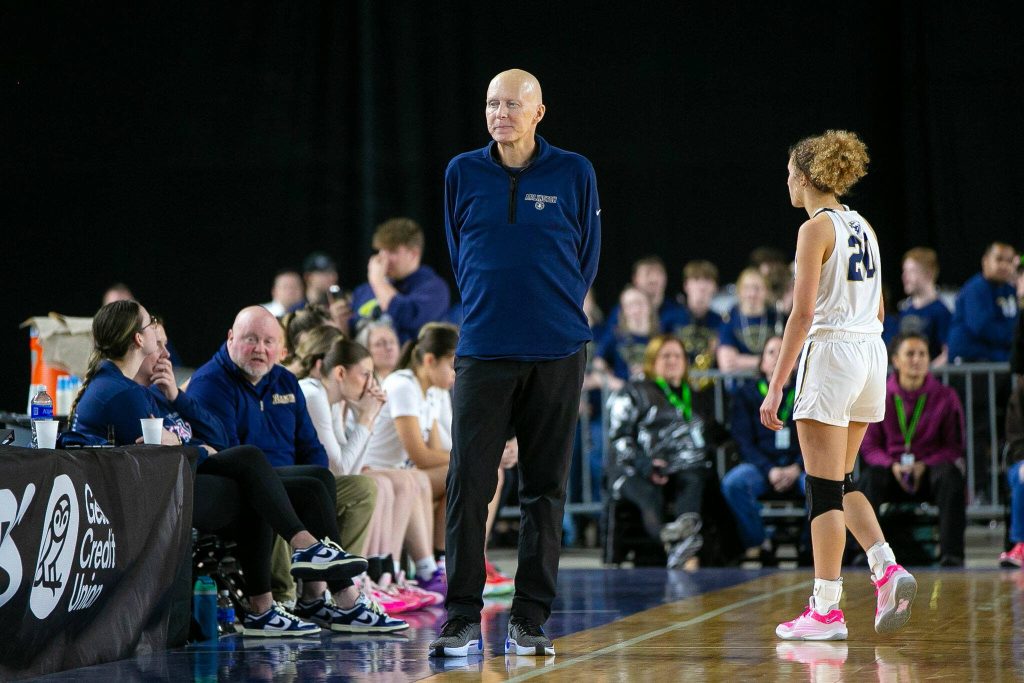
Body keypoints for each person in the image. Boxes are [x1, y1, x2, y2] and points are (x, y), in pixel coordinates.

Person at [431, 68, 600, 658]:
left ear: (539, 113)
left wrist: (548, 311)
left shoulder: (575, 171)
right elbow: (461, 252)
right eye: (491, 104)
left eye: (512, 104)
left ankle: (530, 619)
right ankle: (459, 616)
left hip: (557, 350)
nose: (499, 113)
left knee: (544, 490)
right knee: (467, 485)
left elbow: (587, 257)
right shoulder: (461, 172)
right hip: (483, 350)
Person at [70, 301, 366, 636]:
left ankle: (298, 587)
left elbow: (215, 439)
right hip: (154, 498)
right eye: (154, 329)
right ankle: (284, 581)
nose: (165, 349)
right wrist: (198, 449)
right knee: (250, 472)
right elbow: (164, 452)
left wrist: (179, 403)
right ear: (139, 339)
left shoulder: (143, 390)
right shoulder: (121, 392)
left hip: (176, 481)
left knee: (307, 478)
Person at [763, 130, 916, 641]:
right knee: (842, 480)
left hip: (832, 352)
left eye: (788, 173)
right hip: (872, 353)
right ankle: (886, 567)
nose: (785, 182)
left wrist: (777, 385)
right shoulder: (864, 225)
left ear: (804, 179)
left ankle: (826, 608)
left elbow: (802, 315)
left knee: (822, 489)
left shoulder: (815, 230)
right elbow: (878, 307)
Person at [186, 305, 406, 632]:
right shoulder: (210, 383)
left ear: (282, 349)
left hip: (292, 480)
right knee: (301, 488)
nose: (260, 349)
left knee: (347, 485)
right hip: (243, 485)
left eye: (268, 342)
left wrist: (310, 485)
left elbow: (312, 450)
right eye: (250, 340)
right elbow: (229, 455)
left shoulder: (286, 381)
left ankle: (319, 593)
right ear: (231, 339)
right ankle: (328, 595)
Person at [296, 328, 444, 612]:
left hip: (321, 481)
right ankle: (361, 578)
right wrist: (366, 416)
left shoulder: (335, 400)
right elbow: (340, 469)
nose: (370, 383)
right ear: (340, 373)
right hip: (305, 486)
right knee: (376, 485)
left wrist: (368, 416)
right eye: (365, 374)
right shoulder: (314, 393)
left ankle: (384, 576)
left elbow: (346, 467)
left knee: (393, 481)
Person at [362, 323, 458, 595]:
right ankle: (431, 565)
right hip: (377, 471)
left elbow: (436, 451)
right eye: (451, 365)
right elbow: (421, 455)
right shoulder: (403, 385)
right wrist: (466, 459)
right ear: (430, 360)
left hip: (401, 472)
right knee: (441, 475)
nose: (455, 373)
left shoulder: (429, 391)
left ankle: (443, 562)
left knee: (466, 473)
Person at [606, 335, 715, 569]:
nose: (672, 361)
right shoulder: (633, 391)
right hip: (632, 469)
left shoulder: (694, 395)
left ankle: (682, 541)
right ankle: (671, 538)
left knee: (694, 479)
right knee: (649, 494)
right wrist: (646, 465)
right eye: (665, 355)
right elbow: (618, 436)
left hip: (677, 468)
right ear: (652, 361)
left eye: (677, 355)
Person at [859, 332, 967, 566]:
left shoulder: (945, 397)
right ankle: (861, 554)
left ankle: (952, 554)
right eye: (910, 354)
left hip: (929, 472)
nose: (916, 360)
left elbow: (954, 447)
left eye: (922, 354)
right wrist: (891, 465)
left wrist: (925, 465)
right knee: (869, 478)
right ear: (896, 360)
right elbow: (869, 446)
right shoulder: (880, 395)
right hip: (893, 470)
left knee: (951, 476)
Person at [721, 336, 805, 560]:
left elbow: (818, 439)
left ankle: (808, 547)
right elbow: (743, 442)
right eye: (771, 352)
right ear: (761, 363)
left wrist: (797, 467)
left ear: (795, 362)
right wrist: (770, 469)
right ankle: (759, 543)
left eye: (784, 350)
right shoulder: (746, 394)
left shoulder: (807, 392)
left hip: (801, 466)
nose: (778, 356)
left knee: (822, 487)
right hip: (761, 466)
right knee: (734, 483)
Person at [350, 217, 451, 344]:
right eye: (380, 251)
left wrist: (378, 282)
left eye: (392, 251)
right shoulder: (364, 290)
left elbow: (407, 317)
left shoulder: (434, 289)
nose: (383, 259)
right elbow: (354, 332)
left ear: (414, 253)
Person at [948, 242, 1019, 362]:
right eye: (999, 259)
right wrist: (1015, 337)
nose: (1004, 265)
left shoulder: (1011, 291)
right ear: (985, 261)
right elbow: (982, 327)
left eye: (1009, 261)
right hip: (970, 363)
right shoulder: (975, 289)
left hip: (998, 359)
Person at [718, 267, 781, 373]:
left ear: (766, 291)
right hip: (740, 387)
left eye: (757, 288)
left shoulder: (777, 318)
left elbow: (786, 360)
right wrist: (763, 363)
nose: (752, 294)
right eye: (746, 288)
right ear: (739, 291)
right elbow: (726, 363)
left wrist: (741, 361)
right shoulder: (729, 319)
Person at [896, 248, 951, 366]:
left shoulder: (941, 311)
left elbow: (947, 353)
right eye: (904, 271)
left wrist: (926, 374)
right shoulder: (906, 310)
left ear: (928, 274)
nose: (905, 276)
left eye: (911, 271)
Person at [606, 256, 687, 330]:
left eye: (658, 273)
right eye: (647, 273)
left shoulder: (677, 311)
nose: (653, 278)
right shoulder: (621, 312)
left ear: (666, 277)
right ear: (635, 279)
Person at [596, 285, 659, 381]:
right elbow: (598, 364)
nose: (635, 309)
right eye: (629, 305)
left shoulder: (660, 338)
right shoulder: (615, 336)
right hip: (622, 392)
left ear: (649, 305)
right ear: (623, 310)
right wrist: (616, 383)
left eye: (639, 302)